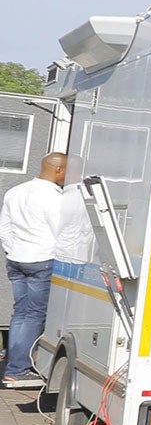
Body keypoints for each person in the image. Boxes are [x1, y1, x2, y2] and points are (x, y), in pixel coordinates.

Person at [1, 152, 67, 389]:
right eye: (66, 170)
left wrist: (14, 250)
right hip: (42, 261)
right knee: (35, 315)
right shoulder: (54, 198)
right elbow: (62, 232)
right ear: (58, 170)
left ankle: (12, 368)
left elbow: (4, 229)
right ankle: (18, 369)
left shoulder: (15, 191)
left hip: (17, 259)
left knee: (20, 313)